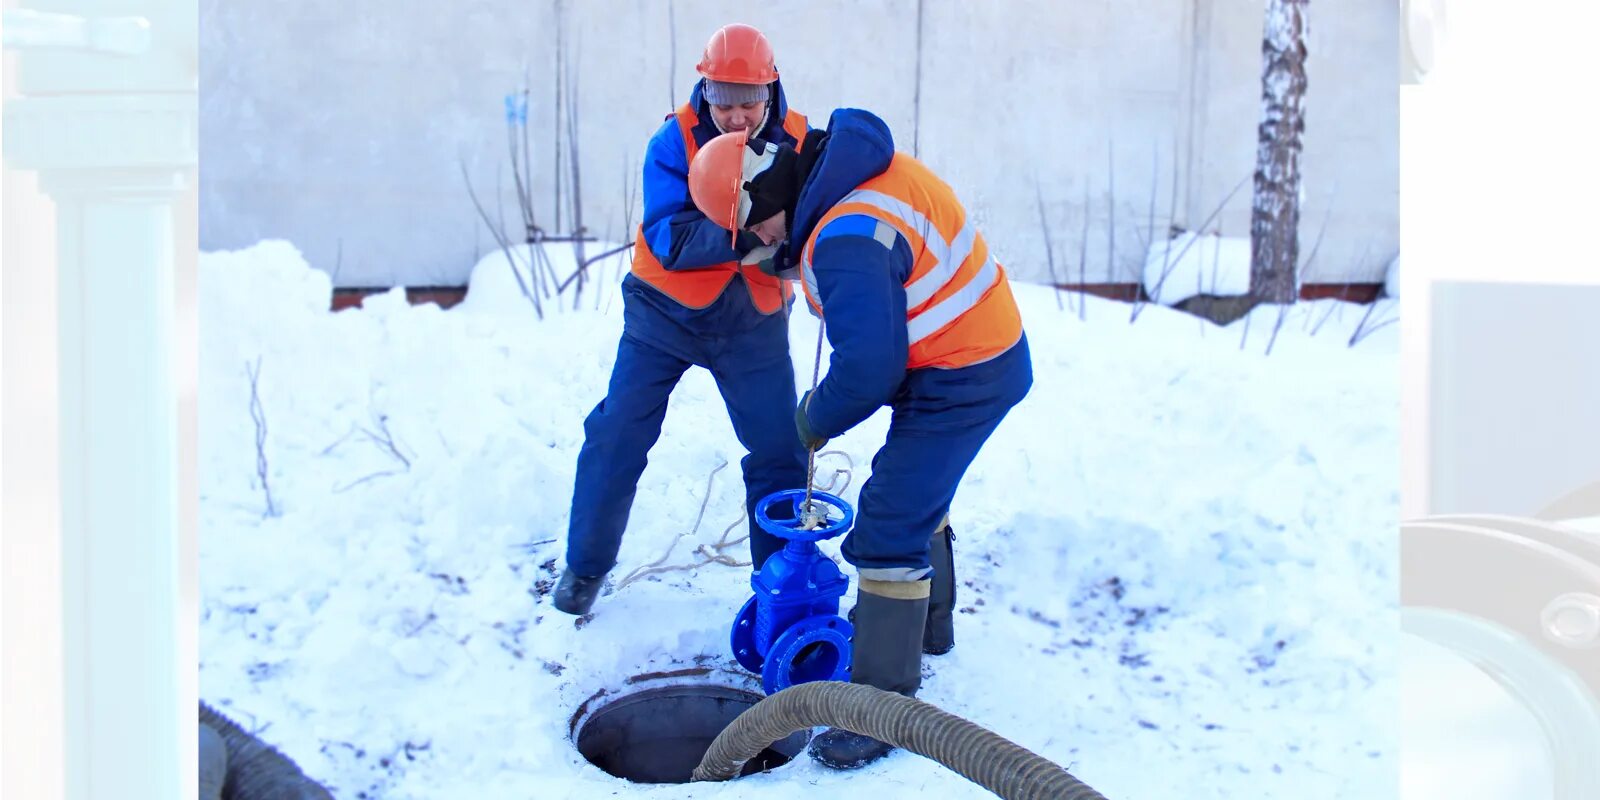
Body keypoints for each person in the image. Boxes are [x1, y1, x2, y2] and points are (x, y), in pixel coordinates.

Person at [685, 108, 1033, 769]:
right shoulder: (852, 177)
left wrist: (814, 416)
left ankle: (881, 712)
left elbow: (870, 368)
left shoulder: (844, 235)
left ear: (763, 194)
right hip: (966, 351)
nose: (758, 243)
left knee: (886, 527)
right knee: (913, 489)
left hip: (965, 371)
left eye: (751, 227)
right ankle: (930, 632)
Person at [550, 23, 815, 617]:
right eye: (724, 100)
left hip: (752, 319)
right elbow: (671, 237)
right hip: (663, 316)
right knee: (618, 433)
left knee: (779, 451)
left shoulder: (799, 143)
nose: (737, 116)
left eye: (749, 100)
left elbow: (816, 216)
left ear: (770, 91)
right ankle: (586, 567)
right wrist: (755, 238)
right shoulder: (674, 141)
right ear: (706, 88)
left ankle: (781, 588)